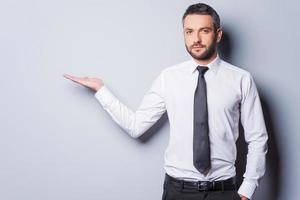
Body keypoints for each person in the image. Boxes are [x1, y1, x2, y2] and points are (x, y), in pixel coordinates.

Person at [63, 3, 268, 200]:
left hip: (223, 191)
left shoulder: (241, 79)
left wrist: (248, 187)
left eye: (204, 30)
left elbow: (257, 137)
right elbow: (136, 126)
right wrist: (101, 90)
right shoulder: (168, 78)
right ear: (184, 35)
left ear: (218, 34)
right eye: (189, 31)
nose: (196, 38)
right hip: (178, 192)